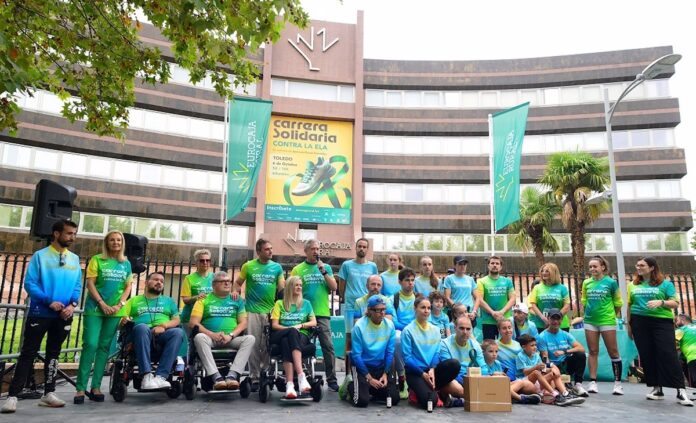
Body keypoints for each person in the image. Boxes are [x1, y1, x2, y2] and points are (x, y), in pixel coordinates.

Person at [2, 220, 81, 414]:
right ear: (56, 234)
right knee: (28, 353)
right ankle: (13, 396)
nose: (72, 237)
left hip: (64, 315)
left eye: (74, 233)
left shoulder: (74, 259)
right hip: (41, 313)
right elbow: (30, 283)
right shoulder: (40, 256)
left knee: (54, 353)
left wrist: (72, 305)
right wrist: (49, 301)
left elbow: (77, 285)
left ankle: (49, 393)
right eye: (69, 233)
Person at [75, 230, 133, 404]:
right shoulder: (97, 260)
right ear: (107, 242)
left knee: (104, 347)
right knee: (90, 344)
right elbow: (90, 283)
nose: (116, 242)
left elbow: (128, 287)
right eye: (112, 240)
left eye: (119, 240)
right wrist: (102, 303)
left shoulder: (126, 263)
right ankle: (80, 388)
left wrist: (119, 305)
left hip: (115, 311)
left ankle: (96, 387)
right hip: (95, 309)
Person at [627, 256, 692, 406]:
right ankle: (657, 389)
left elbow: (675, 303)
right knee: (647, 355)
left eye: (642, 265)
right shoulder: (632, 285)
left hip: (661, 322)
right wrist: (629, 326)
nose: (638, 268)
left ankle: (681, 391)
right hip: (639, 322)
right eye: (637, 265)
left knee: (668, 354)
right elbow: (629, 306)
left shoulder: (666, 284)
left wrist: (661, 302)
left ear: (651, 268)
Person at [190, 271, 255, 391]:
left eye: (228, 281)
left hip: (231, 339)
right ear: (214, 285)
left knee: (250, 339)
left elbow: (244, 323)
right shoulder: (203, 300)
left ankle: (232, 375)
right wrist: (212, 334)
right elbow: (193, 323)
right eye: (223, 281)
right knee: (199, 337)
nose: (227, 283)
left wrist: (230, 335)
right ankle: (216, 377)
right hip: (210, 339)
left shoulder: (237, 300)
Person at [234, 238, 284, 391]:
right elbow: (237, 283)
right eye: (267, 249)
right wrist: (236, 293)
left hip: (270, 312)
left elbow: (282, 289)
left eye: (271, 248)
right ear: (258, 251)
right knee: (254, 345)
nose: (271, 251)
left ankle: (265, 374)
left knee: (267, 345)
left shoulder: (277, 267)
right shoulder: (248, 266)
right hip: (252, 311)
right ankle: (254, 376)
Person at [122, 272, 184, 390]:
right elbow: (122, 318)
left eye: (161, 281)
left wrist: (164, 326)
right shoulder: (133, 301)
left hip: (162, 334)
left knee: (178, 332)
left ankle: (160, 377)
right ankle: (146, 376)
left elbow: (176, 320)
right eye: (156, 280)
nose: (159, 282)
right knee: (142, 327)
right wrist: (124, 320)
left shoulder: (169, 301)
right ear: (146, 282)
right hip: (141, 335)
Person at [290, 239, 338, 391]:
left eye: (318, 249)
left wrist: (323, 271)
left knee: (328, 346)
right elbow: (291, 291)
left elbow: (334, 287)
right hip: (303, 314)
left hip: (322, 313)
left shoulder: (326, 267)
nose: (316, 251)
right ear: (306, 251)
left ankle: (332, 379)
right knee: (299, 344)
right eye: (313, 249)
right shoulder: (298, 269)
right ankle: (300, 376)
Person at [401, 296, 461, 410]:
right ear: (415, 308)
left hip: (431, 371)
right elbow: (407, 359)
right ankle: (415, 390)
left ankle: (435, 388)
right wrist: (422, 374)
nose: (426, 311)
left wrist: (432, 369)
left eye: (428, 308)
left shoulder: (435, 330)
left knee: (454, 364)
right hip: (416, 372)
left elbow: (436, 353)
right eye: (423, 307)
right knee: (430, 402)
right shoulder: (407, 331)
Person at [581, 255, 623, 395]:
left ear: (603, 267)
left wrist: (610, 315)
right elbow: (584, 301)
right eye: (590, 267)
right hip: (590, 321)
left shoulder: (611, 283)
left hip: (607, 321)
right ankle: (593, 382)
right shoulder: (586, 283)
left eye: (595, 266)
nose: (592, 269)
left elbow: (618, 303)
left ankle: (618, 384)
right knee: (593, 351)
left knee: (613, 352)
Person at [270, 276, 317, 399]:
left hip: (301, 336)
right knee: (290, 332)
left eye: (300, 285)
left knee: (286, 341)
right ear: (290, 287)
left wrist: (301, 325)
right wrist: (290, 328)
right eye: (296, 285)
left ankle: (290, 385)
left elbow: (314, 322)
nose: (299, 287)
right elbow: (274, 325)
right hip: (280, 334)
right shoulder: (279, 303)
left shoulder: (306, 303)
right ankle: (301, 376)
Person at [337, 238, 379, 378]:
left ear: (367, 249)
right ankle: (348, 374)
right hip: (350, 307)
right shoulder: (346, 265)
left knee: (367, 338)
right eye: (359, 246)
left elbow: (376, 284)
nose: (362, 248)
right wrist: (346, 298)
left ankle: (365, 372)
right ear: (355, 248)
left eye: (364, 246)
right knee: (350, 338)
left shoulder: (372, 266)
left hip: (368, 308)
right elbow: (341, 287)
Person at [349, 296, 399, 407]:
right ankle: (351, 386)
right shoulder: (359, 326)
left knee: (394, 398)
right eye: (378, 310)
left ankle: (370, 389)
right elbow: (356, 356)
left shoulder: (389, 325)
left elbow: (390, 352)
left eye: (384, 309)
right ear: (370, 310)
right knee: (361, 401)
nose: (382, 313)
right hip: (362, 366)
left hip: (380, 366)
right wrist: (370, 378)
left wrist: (385, 373)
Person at [515, 334, 584, 406]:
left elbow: (543, 370)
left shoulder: (536, 355)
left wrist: (551, 370)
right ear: (524, 347)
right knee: (536, 372)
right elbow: (525, 372)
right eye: (532, 345)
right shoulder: (520, 356)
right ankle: (555, 394)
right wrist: (536, 367)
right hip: (527, 382)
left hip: (538, 381)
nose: (535, 347)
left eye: (535, 345)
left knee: (553, 373)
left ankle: (565, 394)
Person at [536, 308, 588, 397]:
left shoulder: (565, 334)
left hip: (565, 365)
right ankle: (562, 388)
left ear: (561, 320)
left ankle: (578, 385)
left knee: (580, 355)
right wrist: (551, 368)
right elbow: (545, 357)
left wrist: (564, 351)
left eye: (558, 319)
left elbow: (581, 348)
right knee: (554, 384)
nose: (556, 321)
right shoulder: (542, 336)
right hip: (552, 366)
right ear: (548, 319)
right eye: (553, 319)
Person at [438, 316, 484, 406]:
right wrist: (466, 381)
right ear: (455, 328)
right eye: (462, 328)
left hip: (472, 380)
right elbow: (448, 370)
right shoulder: (445, 344)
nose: (465, 332)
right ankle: (478, 398)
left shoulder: (475, 345)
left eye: (468, 329)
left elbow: (483, 368)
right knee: (456, 387)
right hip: (453, 379)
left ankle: (461, 400)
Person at [480, 339, 541, 405]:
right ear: (483, 352)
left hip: (501, 386)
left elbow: (502, 379)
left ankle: (511, 396)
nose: (494, 354)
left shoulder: (497, 363)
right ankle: (521, 398)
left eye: (496, 351)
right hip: (489, 388)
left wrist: (503, 376)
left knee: (519, 381)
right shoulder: (481, 364)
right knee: (503, 387)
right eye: (491, 351)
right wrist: (493, 374)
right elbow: (481, 379)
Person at [476, 256, 515, 340]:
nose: (494, 265)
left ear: (501, 267)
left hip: (505, 320)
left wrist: (502, 312)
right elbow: (479, 300)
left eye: (497, 263)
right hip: (488, 321)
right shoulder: (481, 281)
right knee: (489, 345)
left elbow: (512, 299)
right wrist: (492, 313)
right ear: (488, 265)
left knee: (506, 345)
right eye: (492, 263)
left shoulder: (507, 281)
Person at [392, 267, 417, 398]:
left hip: (416, 331)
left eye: (412, 280)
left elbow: (423, 319)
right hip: (400, 331)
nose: (410, 283)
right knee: (396, 340)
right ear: (400, 282)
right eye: (407, 280)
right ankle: (402, 376)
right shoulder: (393, 299)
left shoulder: (419, 298)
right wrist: (407, 330)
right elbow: (394, 322)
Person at [528, 262, 571, 332]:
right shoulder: (537, 288)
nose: (543, 273)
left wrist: (555, 319)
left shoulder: (562, 288)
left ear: (554, 273)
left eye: (547, 271)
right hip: (540, 324)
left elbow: (567, 306)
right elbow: (533, 305)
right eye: (542, 271)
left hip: (560, 324)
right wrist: (544, 319)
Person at [180, 249, 214, 333]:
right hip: (189, 317)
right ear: (196, 263)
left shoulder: (215, 277)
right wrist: (197, 297)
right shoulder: (189, 278)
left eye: (207, 260)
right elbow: (185, 300)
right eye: (202, 260)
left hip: (208, 318)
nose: (205, 262)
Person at [442, 256, 478, 322]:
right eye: (460, 264)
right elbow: (447, 297)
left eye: (464, 264)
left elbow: (477, 298)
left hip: (468, 312)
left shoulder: (470, 279)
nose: (463, 266)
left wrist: (474, 311)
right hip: (455, 312)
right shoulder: (449, 279)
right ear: (455, 265)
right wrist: (456, 308)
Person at [676, 314, 696, 389]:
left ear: (682, 321)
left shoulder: (681, 330)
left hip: (693, 357)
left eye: (677, 320)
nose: (676, 323)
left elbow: (671, 343)